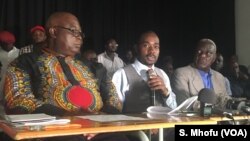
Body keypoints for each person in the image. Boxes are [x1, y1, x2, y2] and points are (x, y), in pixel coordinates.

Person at [3, 12, 128, 141]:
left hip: (99, 129)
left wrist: (100, 122)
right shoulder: (24, 62)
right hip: (52, 132)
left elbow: (113, 99)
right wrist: (69, 116)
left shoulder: (94, 67)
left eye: (81, 34)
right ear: (53, 32)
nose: (79, 38)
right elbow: (18, 100)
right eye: (74, 31)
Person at [171, 38, 231, 110]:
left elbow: (226, 102)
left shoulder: (220, 77)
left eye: (208, 53)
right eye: (199, 52)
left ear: (214, 58)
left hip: (218, 119)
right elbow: (184, 104)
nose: (202, 55)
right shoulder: (181, 74)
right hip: (194, 120)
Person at [0, 31, 19, 101]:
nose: (7, 45)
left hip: (14, 84)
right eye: (5, 44)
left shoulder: (19, 53)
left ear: (13, 43)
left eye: (9, 43)